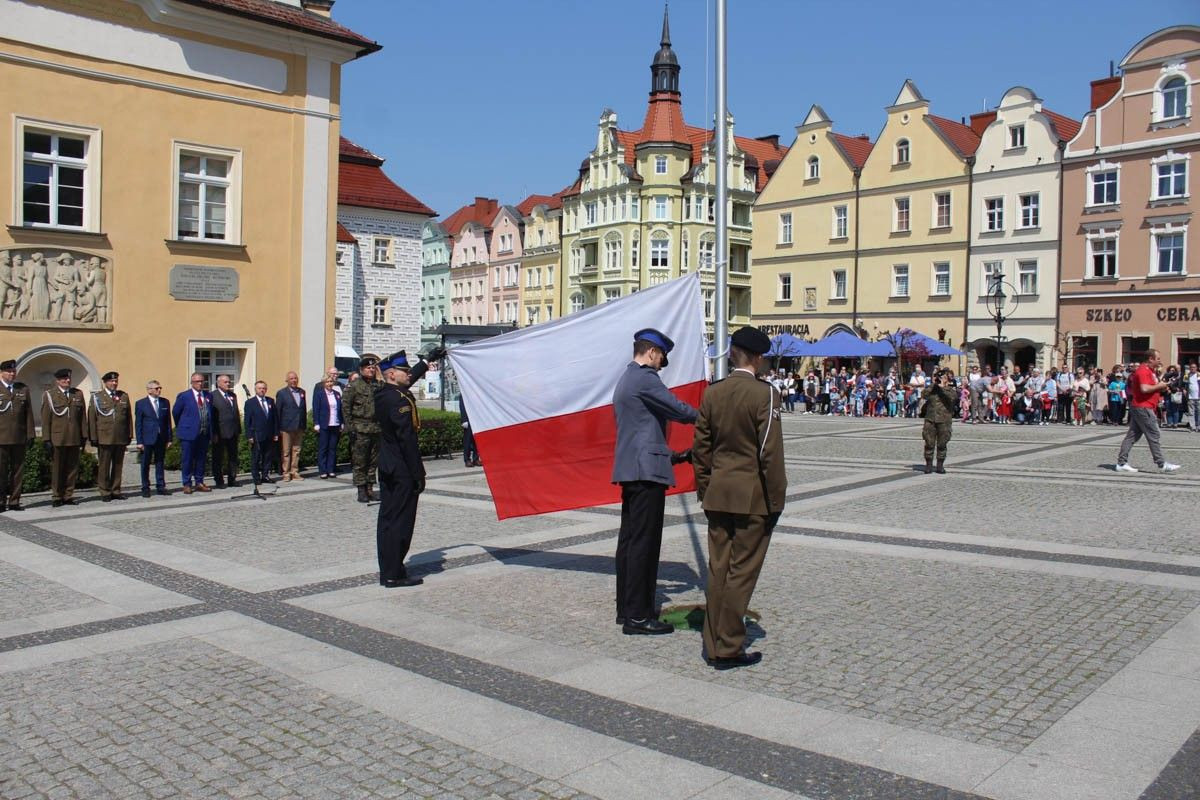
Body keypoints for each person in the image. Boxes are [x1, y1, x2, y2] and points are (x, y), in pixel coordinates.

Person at [692, 326, 786, 669]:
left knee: (718, 570)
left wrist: (705, 487)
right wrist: (777, 500)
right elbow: (769, 453)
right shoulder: (765, 394)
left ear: (733, 353)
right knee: (742, 572)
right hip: (752, 498)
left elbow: (700, 448)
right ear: (758, 359)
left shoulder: (713, 393)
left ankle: (713, 641)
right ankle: (728, 646)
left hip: (718, 493)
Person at [611, 328, 699, 636]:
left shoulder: (626, 378)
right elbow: (677, 409)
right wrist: (708, 416)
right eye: (662, 356)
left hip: (633, 469)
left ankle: (628, 609)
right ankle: (639, 617)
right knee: (644, 547)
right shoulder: (645, 378)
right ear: (651, 353)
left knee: (631, 543)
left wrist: (672, 457)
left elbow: (641, 432)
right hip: (646, 474)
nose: (663, 363)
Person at [374, 347, 444, 587]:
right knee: (400, 522)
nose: (408, 375)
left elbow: (410, 377)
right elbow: (407, 440)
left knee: (389, 519)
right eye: (403, 371)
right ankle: (394, 573)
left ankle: (390, 569)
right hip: (401, 468)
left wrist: (426, 362)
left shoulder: (388, 393)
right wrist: (418, 473)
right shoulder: (396, 399)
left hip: (389, 466)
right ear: (392, 374)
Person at [1116, 349, 1180, 474]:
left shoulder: (1150, 371)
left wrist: (1163, 388)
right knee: (1154, 433)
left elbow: (1151, 388)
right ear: (1150, 359)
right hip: (1143, 407)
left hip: (1143, 406)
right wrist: (1160, 386)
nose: (1159, 361)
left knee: (1132, 436)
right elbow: (1144, 389)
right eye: (1158, 359)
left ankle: (1121, 463)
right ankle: (1161, 463)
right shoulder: (1143, 371)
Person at [41, 367, 86, 506]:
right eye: (64, 379)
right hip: (58, 438)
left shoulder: (77, 394)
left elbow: (82, 417)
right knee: (57, 469)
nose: (67, 381)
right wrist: (46, 439)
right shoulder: (50, 395)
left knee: (72, 468)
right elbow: (46, 419)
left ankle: (68, 495)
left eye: (68, 378)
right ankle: (56, 496)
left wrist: (84, 435)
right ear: (58, 381)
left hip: (74, 437)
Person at [87, 370, 133, 501]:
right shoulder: (97, 397)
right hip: (104, 437)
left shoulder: (123, 396)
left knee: (118, 465)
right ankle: (105, 491)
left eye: (116, 381)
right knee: (104, 466)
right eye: (112, 381)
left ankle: (116, 490)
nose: (114, 383)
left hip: (120, 437)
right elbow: (92, 418)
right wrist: (93, 437)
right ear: (105, 382)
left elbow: (128, 417)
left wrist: (129, 434)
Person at [342, 356, 382, 503]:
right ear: (361, 369)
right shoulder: (354, 386)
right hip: (360, 428)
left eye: (373, 368)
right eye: (368, 368)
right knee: (360, 461)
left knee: (373, 461)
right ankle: (361, 489)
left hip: (375, 428)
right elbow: (346, 408)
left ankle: (370, 488)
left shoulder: (377, 385)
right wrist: (350, 427)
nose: (371, 370)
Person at [0, 359, 35, 512]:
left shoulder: (23, 389)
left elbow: (29, 414)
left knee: (17, 470)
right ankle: (0, 501)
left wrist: (30, 434)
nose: (12, 374)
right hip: (1, 438)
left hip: (19, 437)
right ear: (1, 372)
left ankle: (14, 501)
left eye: (14, 371)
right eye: (9, 371)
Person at [172, 373, 212, 494]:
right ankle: (187, 483)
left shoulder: (208, 395)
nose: (200, 384)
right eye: (197, 381)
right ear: (192, 382)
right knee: (187, 459)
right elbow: (176, 412)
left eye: (201, 381)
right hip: (189, 433)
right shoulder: (184, 396)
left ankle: (199, 481)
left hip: (203, 433)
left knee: (201, 458)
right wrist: (184, 425)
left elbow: (210, 413)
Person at [134, 380, 172, 497]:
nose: (159, 390)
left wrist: (169, 438)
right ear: (149, 390)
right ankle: (145, 487)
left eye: (160, 388)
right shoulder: (141, 403)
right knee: (145, 463)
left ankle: (160, 485)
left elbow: (168, 422)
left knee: (160, 462)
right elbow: (138, 423)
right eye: (156, 388)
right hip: (147, 439)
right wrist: (139, 441)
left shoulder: (165, 402)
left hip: (161, 438)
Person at [922, 368, 958, 474]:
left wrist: (943, 388)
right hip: (930, 419)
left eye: (943, 377)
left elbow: (953, 398)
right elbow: (924, 394)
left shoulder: (950, 390)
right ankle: (928, 465)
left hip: (944, 420)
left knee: (942, 444)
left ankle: (940, 465)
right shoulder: (932, 389)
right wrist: (934, 384)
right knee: (929, 443)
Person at [243, 381, 279, 487]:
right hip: (257, 435)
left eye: (264, 388)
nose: (262, 390)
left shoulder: (270, 401)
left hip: (269, 434)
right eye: (259, 388)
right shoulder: (250, 403)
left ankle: (265, 475)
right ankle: (256, 477)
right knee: (256, 457)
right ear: (255, 389)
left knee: (268, 457)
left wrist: (276, 433)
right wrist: (249, 435)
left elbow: (275, 419)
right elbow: (247, 421)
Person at [209, 374, 242, 488]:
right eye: (225, 382)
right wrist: (214, 433)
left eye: (229, 382)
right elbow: (212, 417)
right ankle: (219, 480)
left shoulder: (233, 395)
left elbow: (236, 413)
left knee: (233, 457)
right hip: (220, 432)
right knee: (218, 457)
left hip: (233, 431)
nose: (228, 384)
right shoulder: (212, 396)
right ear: (218, 383)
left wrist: (238, 429)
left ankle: (232, 479)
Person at [275, 371, 307, 481]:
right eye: (291, 378)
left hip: (299, 426)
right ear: (287, 380)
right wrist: (278, 428)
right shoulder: (282, 393)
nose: (294, 380)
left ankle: (295, 471)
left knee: (297, 450)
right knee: (286, 451)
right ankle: (286, 473)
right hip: (286, 427)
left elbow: (303, 410)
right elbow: (278, 411)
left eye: (295, 378)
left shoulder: (302, 392)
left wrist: (304, 425)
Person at [312, 374, 343, 478]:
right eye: (327, 382)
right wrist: (316, 423)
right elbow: (316, 409)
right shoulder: (319, 394)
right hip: (324, 424)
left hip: (335, 423)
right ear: (324, 383)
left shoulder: (337, 394)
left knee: (332, 448)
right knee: (323, 448)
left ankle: (330, 469)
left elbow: (340, 409)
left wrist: (342, 422)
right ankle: (323, 470)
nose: (329, 384)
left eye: (331, 382)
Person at [459, 395, 480, 467]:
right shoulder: (463, 393)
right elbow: (462, 407)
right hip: (468, 420)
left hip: (476, 419)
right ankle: (467, 459)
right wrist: (464, 420)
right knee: (467, 441)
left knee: (476, 441)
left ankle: (476, 459)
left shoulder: (474, 392)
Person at [1187, 363, 1200, 432]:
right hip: (1190, 397)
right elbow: (1184, 383)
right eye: (1191, 367)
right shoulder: (1187, 375)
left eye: (1194, 367)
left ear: (1196, 368)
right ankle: (1192, 426)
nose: (1192, 368)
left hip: (1198, 396)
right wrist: (1184, 390)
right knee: (1191, 412)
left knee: (1198, 412)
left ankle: (1198, 426)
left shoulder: (1199, 375)